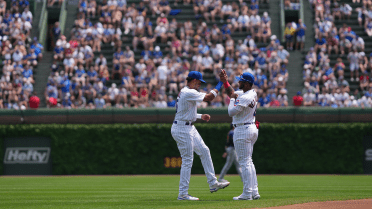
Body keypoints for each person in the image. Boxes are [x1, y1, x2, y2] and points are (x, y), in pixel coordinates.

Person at [171, 71, 230, 201]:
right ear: (192, 81)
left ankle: (213, 183)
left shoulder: (185, 91)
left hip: (188, 126)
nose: (199, 85)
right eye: (198, 82)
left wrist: (199, 116)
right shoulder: (188, 92)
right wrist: (221, 82)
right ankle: (183, 194)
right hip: (182, 128)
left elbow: (184, 112)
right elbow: (209, 97)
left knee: (204, 150)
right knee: (187, 160)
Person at [219, 70, 260, 201]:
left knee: (244, 162)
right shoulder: (250, 93)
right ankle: (254, 191)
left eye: (241, 80)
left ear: (247, 84)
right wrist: (225, 82)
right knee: (249, 161)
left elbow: (231, 112)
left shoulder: (246, 96)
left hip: (243, 129)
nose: (239, 82)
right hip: (250, 127)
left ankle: (247, 193)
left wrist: (231, 100)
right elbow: (232, 92)